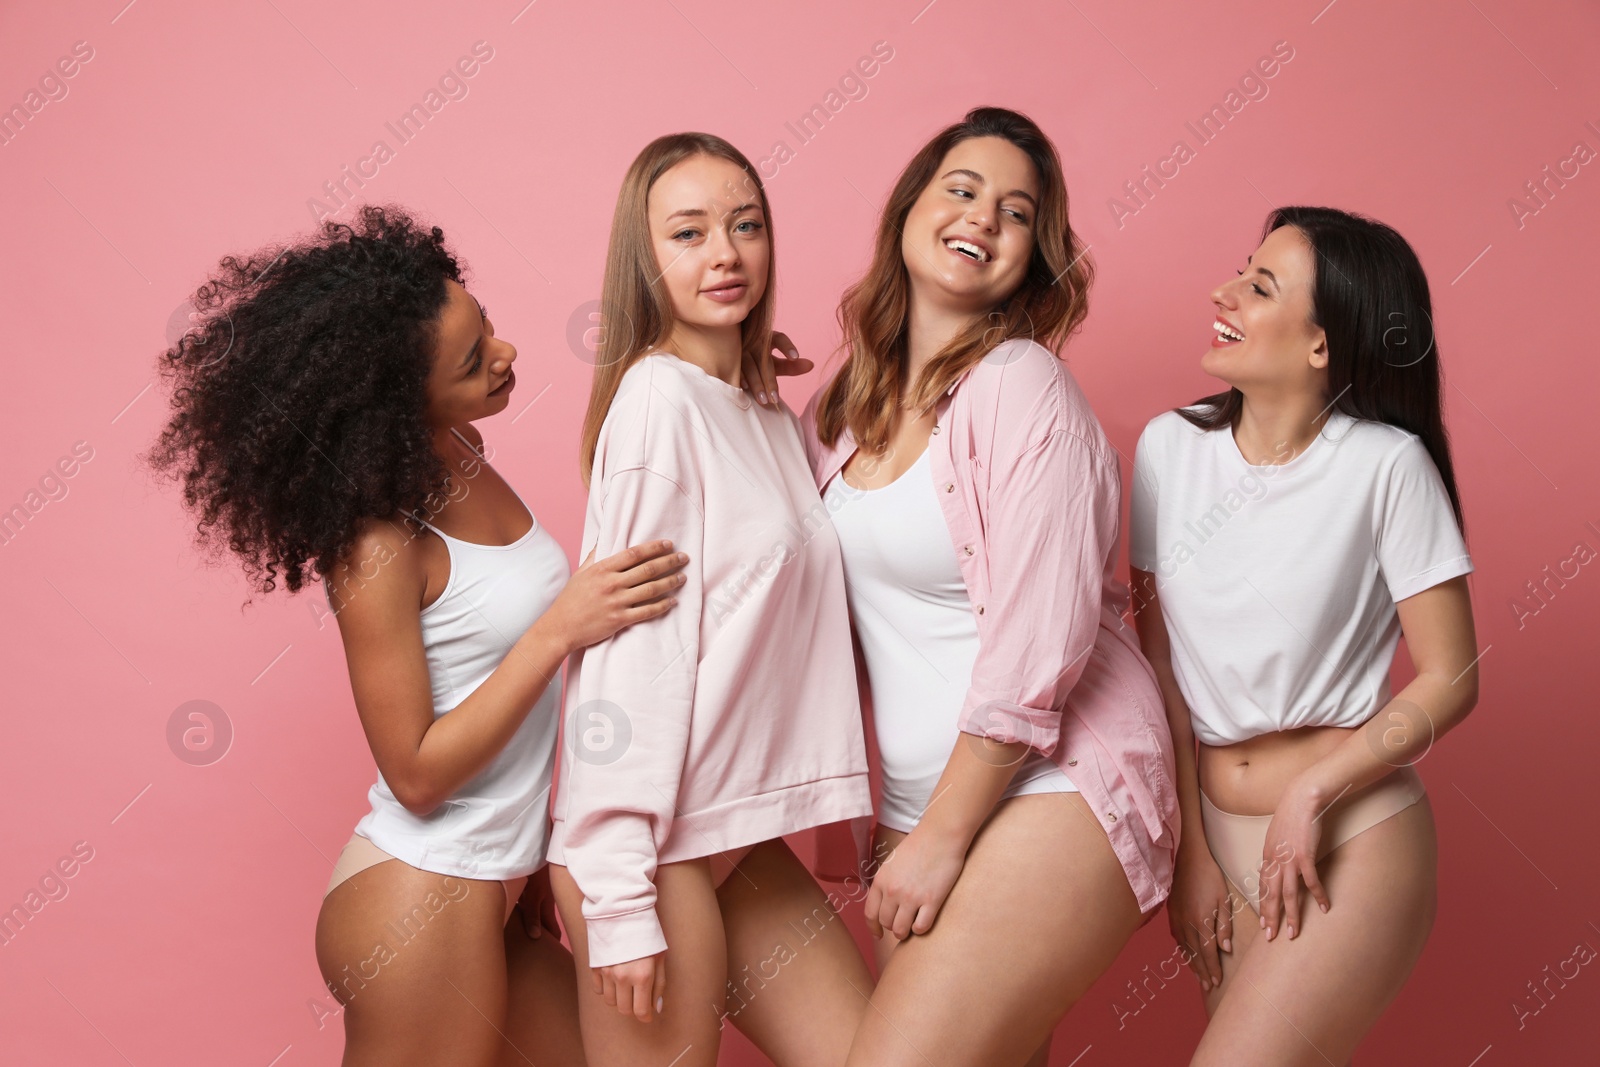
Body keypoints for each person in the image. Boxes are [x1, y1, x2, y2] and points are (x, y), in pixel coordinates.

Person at [148, 205, 687, 1066]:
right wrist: (558, 629)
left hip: (491, 886)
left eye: (490, 330)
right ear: (398, 405)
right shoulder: (380, 543)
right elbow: (417, 772)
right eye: (473, 364)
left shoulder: (461, 445)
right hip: (425, 895)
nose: (506, 357)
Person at [798, 106, 1181, 1067]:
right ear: (908, 213)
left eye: (1018, 212)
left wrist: (942, 836)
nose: (984, 218)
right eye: (962, 190)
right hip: (912, 807)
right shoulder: (839, 417)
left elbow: (1040, 645)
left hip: (1052, 786)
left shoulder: (1020, 386)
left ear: (1034, 260)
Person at [544, 133, 878, 1067]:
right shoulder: (658, 404)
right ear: (645, 262)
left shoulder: (763, 412)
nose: (724, 253)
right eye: (687, 233)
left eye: (745, 226)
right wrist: (615, 896)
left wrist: (750, 372)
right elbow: (625, 653)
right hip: (649, 855)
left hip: (731, 825)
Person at [1129, 206, 1479, 1065]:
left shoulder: (1386, 465)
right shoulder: (1168, 449)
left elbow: (1453, 675)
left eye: (1259, 286)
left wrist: (1312, 794)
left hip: (1348, 835)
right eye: (1240, 271)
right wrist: (1189, 855)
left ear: (1322, 345)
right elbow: (1157, 663)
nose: (1224, 293)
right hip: (1217, 829)